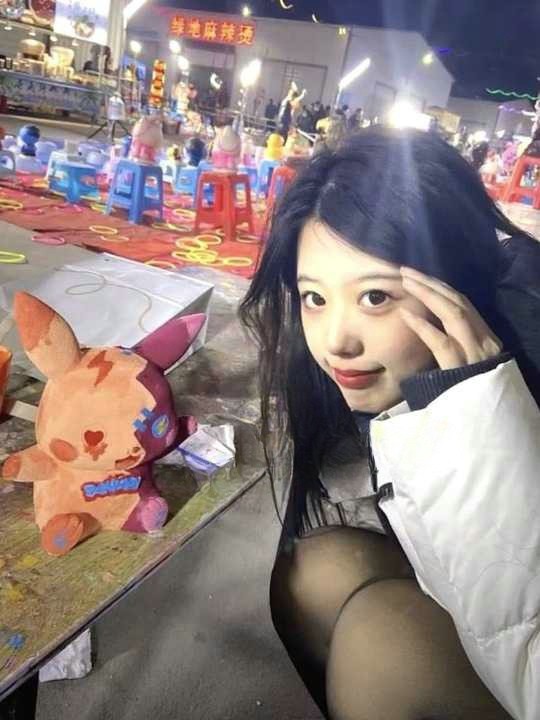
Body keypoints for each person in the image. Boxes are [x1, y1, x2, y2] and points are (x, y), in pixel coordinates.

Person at [240, 128, 540, 720]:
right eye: (315, 298)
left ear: (456, 288)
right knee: (315, 572)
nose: (336, 341)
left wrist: (478, 413)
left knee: (379, 643)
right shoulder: (417, 376)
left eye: (375, 297)